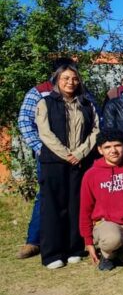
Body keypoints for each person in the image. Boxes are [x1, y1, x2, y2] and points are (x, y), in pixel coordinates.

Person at [35, 63, 100, 269]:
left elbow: (96, 130)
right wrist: (66, 154)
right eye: (65, 78)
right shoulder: (45, 103)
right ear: (56, 80)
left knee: (76, 205)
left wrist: (79, 153)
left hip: (80, 161)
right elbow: (44, 133)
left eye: (74, 78)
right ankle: (52, 253)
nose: (70, 82)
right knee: (53, 207)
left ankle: (74, 248)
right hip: (54, 162)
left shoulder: (86, 104)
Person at [15, 57, 72, 259]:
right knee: (47, 197)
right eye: (64, 74)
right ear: (55, 74)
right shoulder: (39, 92)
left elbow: (94, 117)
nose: (69, 80)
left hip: (74, 157)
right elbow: (25, 122)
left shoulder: (81, 92)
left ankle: (69, 241)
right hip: (49, 158)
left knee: (72, 197)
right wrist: (41, 149)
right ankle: (34, 240)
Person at [78, 129, 123, 271]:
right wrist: (88, 242)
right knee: (113, 238)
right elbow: (85, 209)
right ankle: (107, 255)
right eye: (107, 147)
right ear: (100, 150)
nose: (113, 150)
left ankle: (118, 252)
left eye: (117, 145)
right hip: (106, 224)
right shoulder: (91, 174)